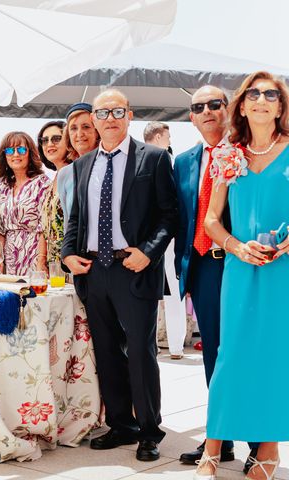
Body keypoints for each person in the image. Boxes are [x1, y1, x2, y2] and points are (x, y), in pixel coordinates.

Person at [61, 89, 178, 462]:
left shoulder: (155, 159)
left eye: (116, 111)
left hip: (134, 267)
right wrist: (67, 255)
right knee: (107, 351)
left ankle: (148, 429)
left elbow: (170, 215)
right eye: (102, 113)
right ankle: (120, 425)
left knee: (141, 353)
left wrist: (148, 252)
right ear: (94, 120)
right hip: (95, 270)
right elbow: (76, 219)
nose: (109, 118)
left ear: (129, 115)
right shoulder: (82, 165)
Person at [194, 71, 289, 480]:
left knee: (274, 355)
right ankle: (211, 450)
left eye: (272, 94)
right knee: (229, 356)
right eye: (254, 93)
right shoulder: (228, 155)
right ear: (243, 105)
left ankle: (269, 451)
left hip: (283, 268)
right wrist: (236, 246)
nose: (263, 99)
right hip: (238, 265)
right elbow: (212, 220)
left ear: (281, 106)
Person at [174, 85, 258, 470]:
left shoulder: (248, 150)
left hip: (241, 263)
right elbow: (181, 216)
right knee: (214, 357)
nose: (206, 111)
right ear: (190, 116)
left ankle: (260, 444)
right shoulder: (185, 161)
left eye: (214, 104)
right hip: (204, 266)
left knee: (245, 352)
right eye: (197, 107)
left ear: (228, 109)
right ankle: (219, 440)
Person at [143, 121, 186, 360]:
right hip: (166, 237)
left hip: (144, 238)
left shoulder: (136, 159)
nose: (170, 140)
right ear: (159, 136)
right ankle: (176, 346)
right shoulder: (165, 159)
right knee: (172, 293)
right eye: (167, 136)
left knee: (149, 292)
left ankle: (154, 344)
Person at [0, 131, 51, 275]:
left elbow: (44, 227)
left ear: (30, 153)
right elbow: (0, 229)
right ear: (4, 155)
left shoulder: (42, 183)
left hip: (34, 253)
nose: (15, 154)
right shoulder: (3, 187)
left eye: (21, 149)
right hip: (9, 258)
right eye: (9, 150)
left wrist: (41, 261)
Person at [57, 103, 100, 229]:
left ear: (97, 132)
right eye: (74, 128)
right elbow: (68, 225)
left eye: (86, 127)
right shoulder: (65, 174)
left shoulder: (110, 167)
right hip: (76, 247)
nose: (79, 133)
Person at [37, 121, 71, 265]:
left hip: (72, 263)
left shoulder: (76, 174)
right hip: (53, 268)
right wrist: (41, 259)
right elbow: (44, 230)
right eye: (44, 140)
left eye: (56, 139)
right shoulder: (50, 185)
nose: (49, 144)